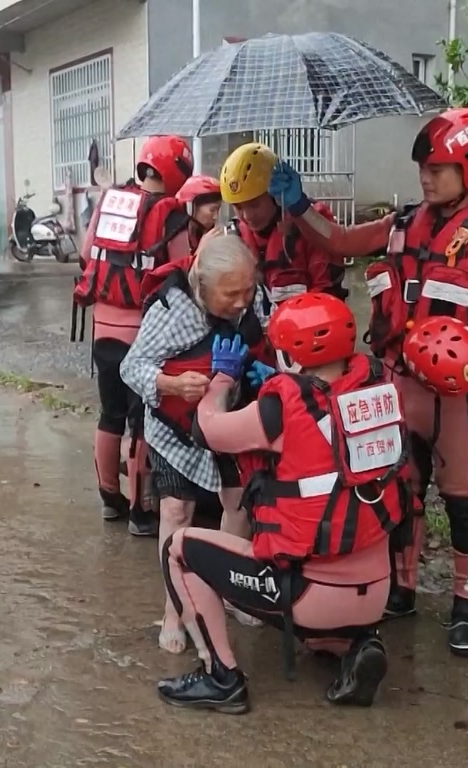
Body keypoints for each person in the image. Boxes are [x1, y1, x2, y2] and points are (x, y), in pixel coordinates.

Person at [269, 107, 468, 657]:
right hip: (397, 383)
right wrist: (299, 205)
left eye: (439, 167)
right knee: (399, 490)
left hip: (452, 392)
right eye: (423, 165)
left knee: (461, 499)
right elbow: (341, 242)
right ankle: (401, 588)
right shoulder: (403, 223)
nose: (426, 175)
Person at [155, 291, 414, 714]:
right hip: (375, 593)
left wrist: (222, 379)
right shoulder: (379, 391)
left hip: (308, 593)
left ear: (291, 356)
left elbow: (209, 427)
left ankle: (221, 677)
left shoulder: (279, 409)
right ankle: (355, 642)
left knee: (178, 551)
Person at [119, 233, 274, 653]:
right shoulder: (174, 308)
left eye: (247, 289)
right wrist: (171, 383)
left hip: (231, 415)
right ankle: (175, 607)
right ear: (202, 287)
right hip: (177, 427)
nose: (243, 302)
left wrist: (266, 373)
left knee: (238, 502)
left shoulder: (253, 298)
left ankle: (230, 591)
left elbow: (268, 340)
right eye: (231, 294)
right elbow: (131, 367)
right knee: (176, 509)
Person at [74, 136, 195, 536]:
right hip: (142, 334)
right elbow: (182, 271)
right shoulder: (171, 212)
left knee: (109, 414)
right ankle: (141, 512)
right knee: (142, 422)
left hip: (101, 330)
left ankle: (110, 498)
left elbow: (86, 251)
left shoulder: (110, 201)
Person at [217, 143, 347, 303]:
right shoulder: (234, 237)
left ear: (275, 195)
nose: (247, 215)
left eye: (254, 204)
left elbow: (326, 291)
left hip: (307, 321)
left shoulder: (312, 223)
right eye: (237, 207)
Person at [176, 175, 222, 251]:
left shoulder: (197, 234)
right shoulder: (177, 235)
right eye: (212, 210)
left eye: (218, 210)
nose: (216, 217)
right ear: (190, 207)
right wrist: (202, 248)